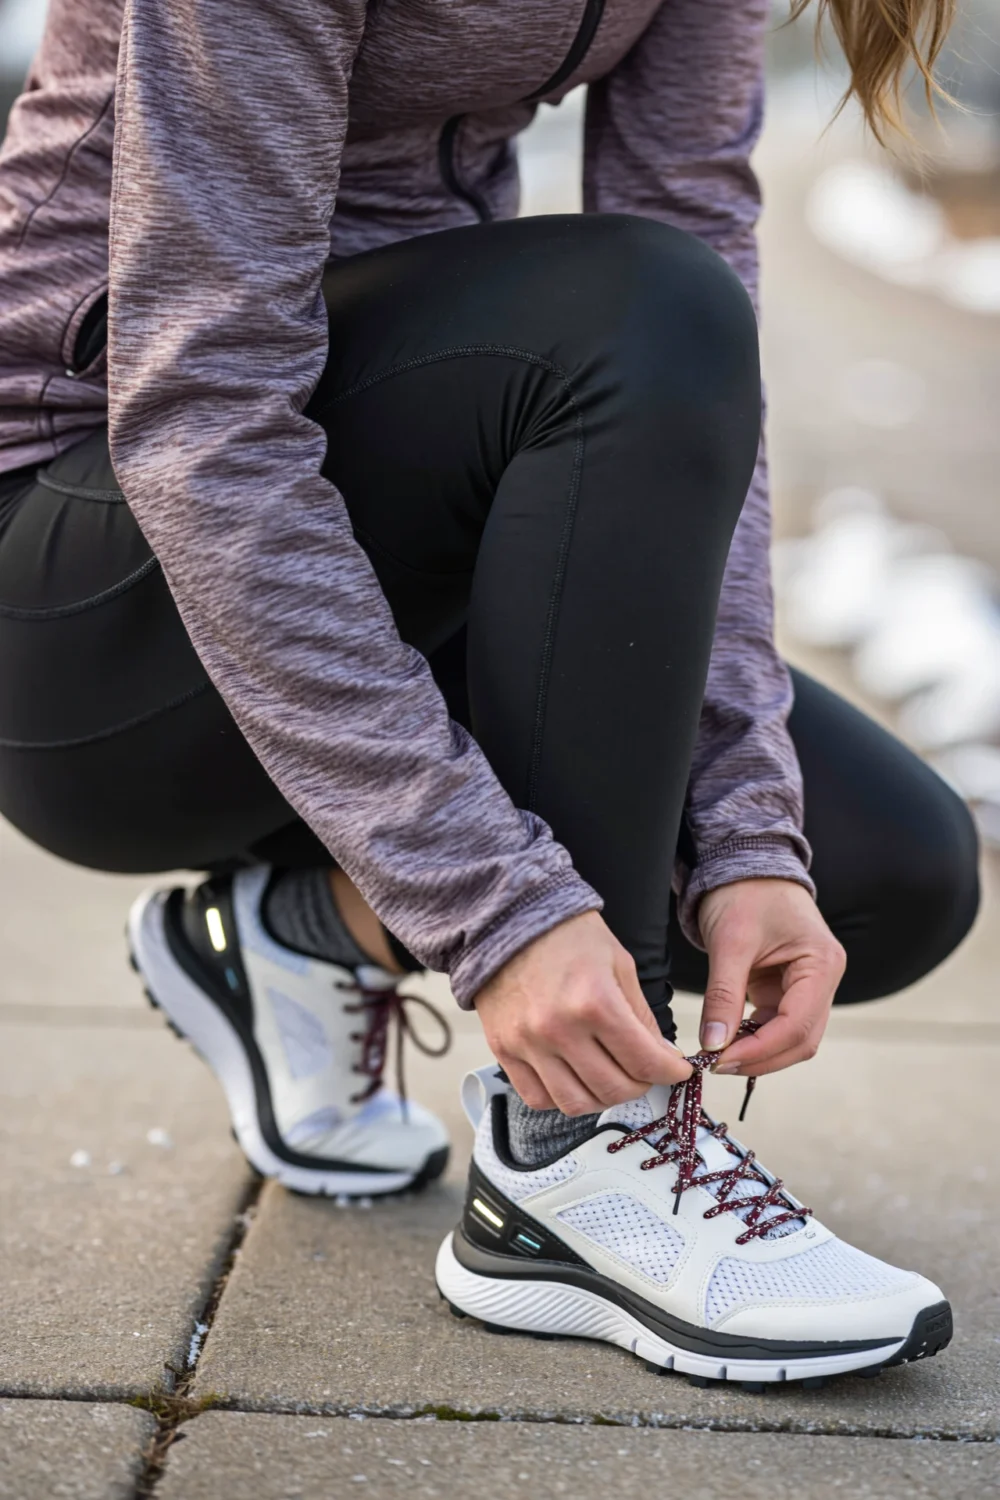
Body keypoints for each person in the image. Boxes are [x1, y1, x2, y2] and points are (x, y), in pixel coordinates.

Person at [0, 0, 976, 1386]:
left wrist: (749, 824)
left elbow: (705, 393)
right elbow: (202, 418)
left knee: (879, 874)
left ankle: (297, 933)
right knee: (633, 307)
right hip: (84, 588)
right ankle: (575, 1155)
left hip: (378, 538)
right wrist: (498, 912)